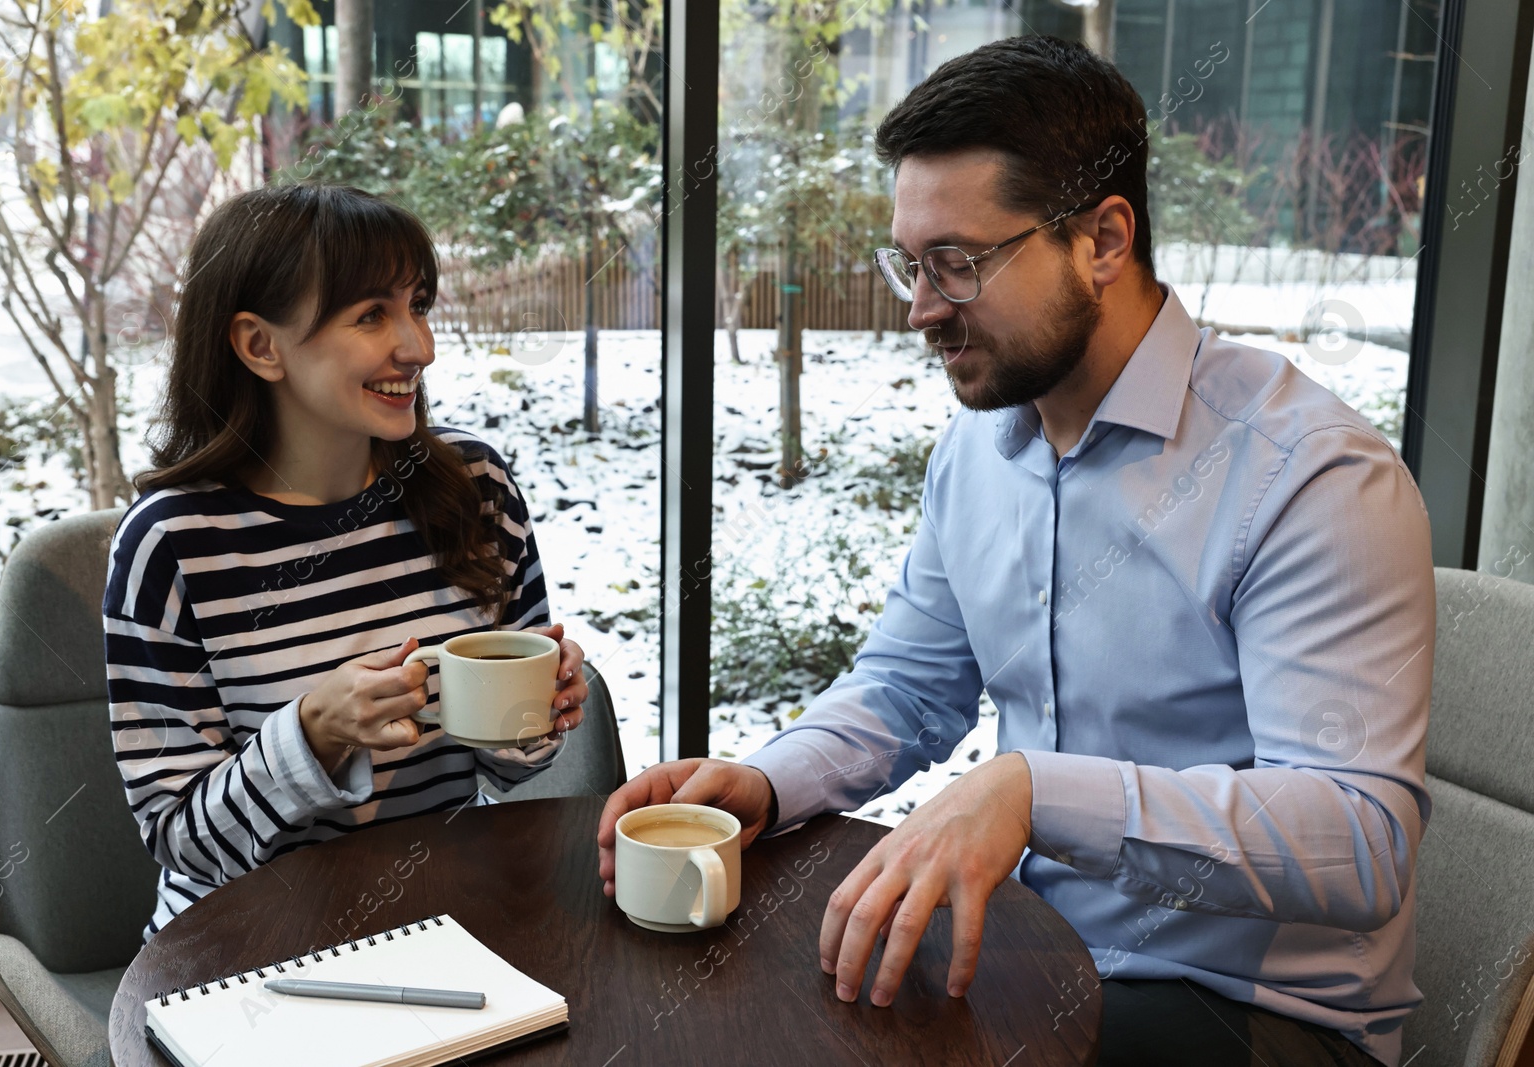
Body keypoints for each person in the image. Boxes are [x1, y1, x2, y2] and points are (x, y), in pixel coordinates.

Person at [598, 36, 1430, 1067]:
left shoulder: (1307, 474)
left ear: (1104, 240)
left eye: (958, 262)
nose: (920, 309)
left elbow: (1358, 840)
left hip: (1253, 1008)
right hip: (1034, 951)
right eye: (908, 263)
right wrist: (766, 782)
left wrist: (1035, 789)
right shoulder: (982, 447)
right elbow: (908, 687)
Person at [105, 183, 587, 941]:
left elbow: (509, 767)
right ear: (261, 346)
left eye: (418, 306)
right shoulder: (170, 547)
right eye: (372, 315)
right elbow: (177, 834)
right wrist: (311, 735)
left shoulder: (478, 490)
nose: (419, 346)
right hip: (249, 945)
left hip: (442, 919)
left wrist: (536, 714)